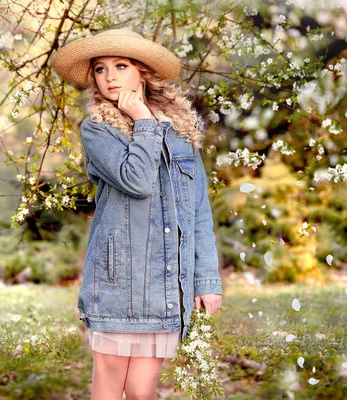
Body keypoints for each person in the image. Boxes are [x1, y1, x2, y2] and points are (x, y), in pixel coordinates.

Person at [50, 28, 224, 400]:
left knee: (143, 393)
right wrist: (143, 120)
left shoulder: (180, 133)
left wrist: (207, 279)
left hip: (165, 282)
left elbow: (198, 209)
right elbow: (138, 180)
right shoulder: (97, 130)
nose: (110, 76)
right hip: (119, 281)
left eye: (121, 65)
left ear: (141, 71)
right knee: (111, 388)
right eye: (100, 69)